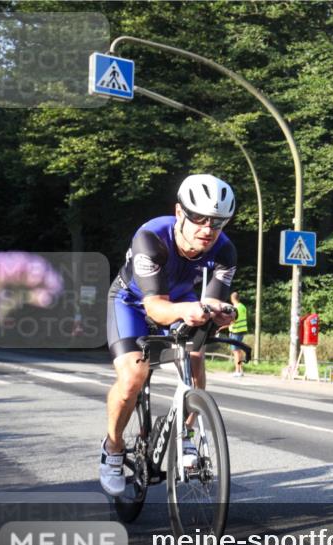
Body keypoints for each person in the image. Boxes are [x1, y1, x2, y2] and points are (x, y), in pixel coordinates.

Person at [100, 174, 237, 496]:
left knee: (194, 359)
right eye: (199, 218)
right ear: (180, 213)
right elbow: (157, 309)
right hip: (132, 304)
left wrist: (220, 313)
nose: (207, 229)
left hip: (181, 304)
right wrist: (190, 309)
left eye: (217, 222)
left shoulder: (225, 251)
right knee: (133, 377)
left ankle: (187, 439)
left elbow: (214, 299)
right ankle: (114, 448)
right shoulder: (151, 238)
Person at [222, 291, 249, 377]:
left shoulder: (235, 308)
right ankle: (240, 370)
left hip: (236, 331)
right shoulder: (243, 306)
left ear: (232, 299)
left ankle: (237, 371)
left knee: (236, 351)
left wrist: (221, 327)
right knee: (239, 351)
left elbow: (233, 320)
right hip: (241, 330)